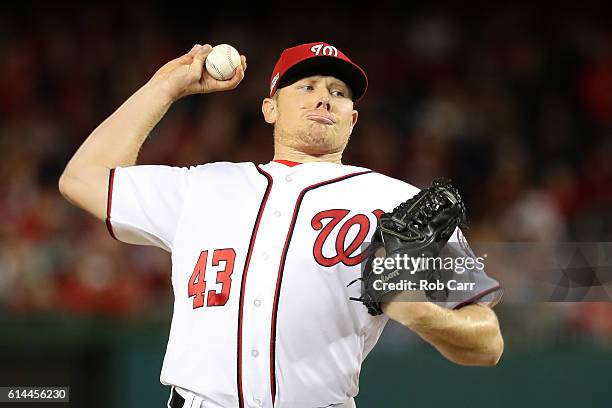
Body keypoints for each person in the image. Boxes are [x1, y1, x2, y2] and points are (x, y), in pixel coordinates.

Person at [59, 41, 503, 408]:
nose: (324, 97)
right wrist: (164, 89)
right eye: (306, 86)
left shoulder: (396, 202)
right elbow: (82, 179)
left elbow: (487, 341)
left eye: (339, 92)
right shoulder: (205, 186)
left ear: (352, 119)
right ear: (270, 108)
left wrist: (421, 314)